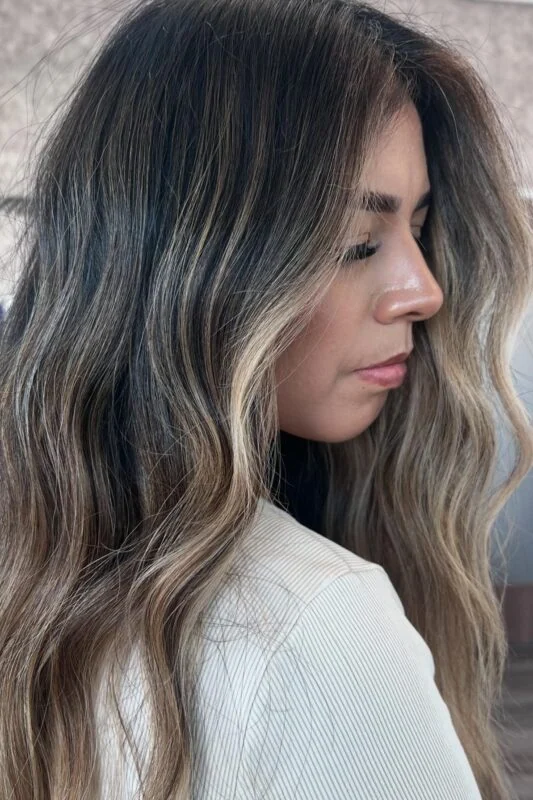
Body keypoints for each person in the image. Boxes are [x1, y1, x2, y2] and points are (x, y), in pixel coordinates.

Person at [0, 0, 531, 797]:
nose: (422, 291)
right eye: (357, 242)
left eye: (419, 229)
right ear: (188, 263)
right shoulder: (317, 627)